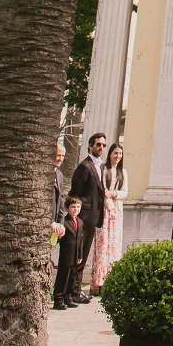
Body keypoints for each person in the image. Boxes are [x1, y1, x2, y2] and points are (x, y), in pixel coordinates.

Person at [69, 130, 106, 301]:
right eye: (98, 144)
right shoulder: (84, 166)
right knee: (77, 255)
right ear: (90, 146)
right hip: (83, 217)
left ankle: (75, 290)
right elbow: (75, 192)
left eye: (103, 145)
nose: (101, 147)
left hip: (93, 218)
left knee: (83, 255)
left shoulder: (101, 166)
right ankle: (73, 291)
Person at [91, 142, 127, 293]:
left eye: (120, 154)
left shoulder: (123, 172)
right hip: (105, 211)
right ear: (110, 155)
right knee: (102, 245)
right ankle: (97, 282)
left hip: (117, 212)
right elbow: (103, 191)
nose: (117, 156)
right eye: (115, 153)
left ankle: (111, 280)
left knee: (114, 245)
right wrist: (110, 206)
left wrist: (115, 194)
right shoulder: (103, 170)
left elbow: (125, 192)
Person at [52, 194, 84, 310]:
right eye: (73, 207)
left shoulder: (80, 222)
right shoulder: (64, 222)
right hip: (66, 255)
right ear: (67, 208)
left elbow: (80, 240)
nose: (76, 210)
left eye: (78, 207)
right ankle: (58, 299)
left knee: (72, 277)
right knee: (63, 277)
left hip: (76, 255)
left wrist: (80, 255)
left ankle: (68, 297)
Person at [51, 142, 66, 239]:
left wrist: (61, 224)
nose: (60, 159)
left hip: (56, 227)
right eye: (58, 155)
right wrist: (50, 221)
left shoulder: (60, 175)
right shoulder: (44, 174)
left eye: (62, 156)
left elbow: (61, 201)